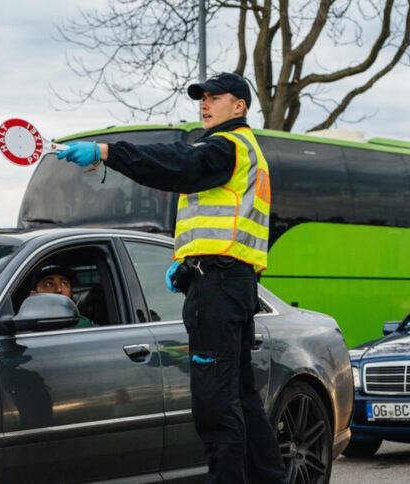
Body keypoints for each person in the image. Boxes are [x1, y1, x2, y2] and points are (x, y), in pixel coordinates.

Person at [58, 72, 284, 483]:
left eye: (215, 97)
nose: (205, 104)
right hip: (229, 281)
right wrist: (188, 264)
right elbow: (223, 224)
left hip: (218, 288)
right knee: (242, 400)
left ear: (240, 106)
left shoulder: (225, 148)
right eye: (203, 98)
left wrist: (108, 152)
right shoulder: (244, 151)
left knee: (216, 407)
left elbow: (175, 164)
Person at [28, 264, 93, 328]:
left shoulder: (81, 324)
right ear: (34, 295)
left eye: (64, 283)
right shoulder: (26, 325)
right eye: (49, 284)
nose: (59, 290)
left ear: (71, 293)